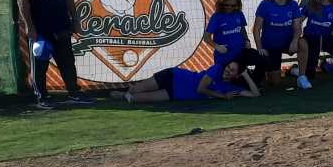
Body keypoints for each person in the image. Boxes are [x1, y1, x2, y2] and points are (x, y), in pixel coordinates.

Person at [16, 0, 91, 109]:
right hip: (41, 30)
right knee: (40, 65)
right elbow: (22, 1)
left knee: (67, 63)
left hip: (62, 28)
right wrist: (30, 26)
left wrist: (76, 19)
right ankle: (42, 97)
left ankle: (74, 94)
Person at [111, 59, 259, 103]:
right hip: (175, 76)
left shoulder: (229, 87)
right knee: (135, 90)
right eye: (229, 66)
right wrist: (222, 96)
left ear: (236, 75)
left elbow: (255, 94)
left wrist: (245, 74)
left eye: (232, 70)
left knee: (136, 98)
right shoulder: (218, 68)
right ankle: (127, 90)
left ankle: (125, 95)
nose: (228, 70)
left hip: (177, 93)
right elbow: (201, 89)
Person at [251, 0, 302, 87]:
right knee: (275, 83)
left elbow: (298, 28)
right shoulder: (265, 4)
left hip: (287, 43)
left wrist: (294, 40)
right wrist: (260, 48)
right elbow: (256, 29)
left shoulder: (293, 4)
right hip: (270, 47)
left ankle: (302, 75)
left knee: (303, 44)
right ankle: (272, 71)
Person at [296, 0, 333, 87]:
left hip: (327, 38)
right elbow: (299, 21)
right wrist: (296, 35)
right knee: (315, 38)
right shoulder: (311, 4)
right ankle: (306, 72)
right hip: (310, 37)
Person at [204, 0, 254, 72]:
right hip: (224, 57)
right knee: (224, 81)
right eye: (227, 5)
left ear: (237, 5)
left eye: (233, 5)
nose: (229, 7)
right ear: (221, 3)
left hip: (240, 54)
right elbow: (206, 37)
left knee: (262, 59)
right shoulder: (216, 17)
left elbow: (242, 29)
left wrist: (247, 40)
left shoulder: (239, 14)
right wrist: (217, 46)